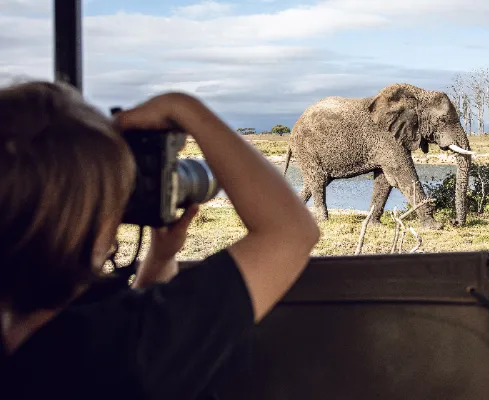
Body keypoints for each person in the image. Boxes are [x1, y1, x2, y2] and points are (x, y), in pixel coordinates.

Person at [0, 81, 320, 399]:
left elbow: (122, 321)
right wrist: (183, 107)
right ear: (98, 223)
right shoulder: (127, 349)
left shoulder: (35, 337)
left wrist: (160, 257)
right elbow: (289, 232)